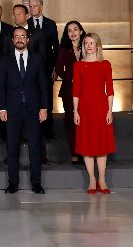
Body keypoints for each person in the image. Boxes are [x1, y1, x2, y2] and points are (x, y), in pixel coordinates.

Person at [0, 26, 49, 194]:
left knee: (35, 148)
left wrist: (44, 107)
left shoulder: (37, 58)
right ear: (13, 40)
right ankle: (13, 183)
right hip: (12, 110)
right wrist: (2, 108)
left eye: (23, 36)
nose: (19, 39)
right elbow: (1, 87)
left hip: (33, 110)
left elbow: (43, 85)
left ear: (27, 40)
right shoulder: (5, 60)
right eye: (16, 36)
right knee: (12, 148)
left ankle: (36, 183)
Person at [73, 32, 115, 193]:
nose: (89, 46)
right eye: (86, 43)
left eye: (92, 43)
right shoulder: (78, 65)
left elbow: (110, 90)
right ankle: (92, 180)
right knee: (87, 144)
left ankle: (102, 180)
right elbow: (76, 91)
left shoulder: (105, 64)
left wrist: (109, 111)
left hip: (101, 107)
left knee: (101, 145)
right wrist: (75, 111)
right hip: (84, 108)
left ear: (97, 45)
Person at [55, 20, 85, 162]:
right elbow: (59, 69)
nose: (72, 33)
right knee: (72, 122)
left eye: (75, 29)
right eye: (69, 31)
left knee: (86, 122)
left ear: (80, 31)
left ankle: (87, 151)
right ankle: (75, 152)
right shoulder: (63, 49)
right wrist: (72, 78)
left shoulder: (88, 46)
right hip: (69, 90)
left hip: (87, 91)